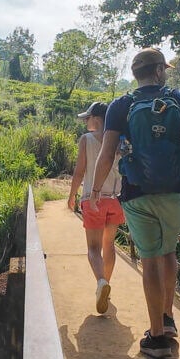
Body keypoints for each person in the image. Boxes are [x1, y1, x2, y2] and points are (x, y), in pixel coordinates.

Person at [89, 47, 180, 359]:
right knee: (168, 252)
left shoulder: (122, 105)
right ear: (159, 71)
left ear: (136, 74)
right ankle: (168, 318)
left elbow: (106, 154)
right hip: (174, 192)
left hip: (136, 193)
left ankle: (157, 338)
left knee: (150, 259)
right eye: (164, 69)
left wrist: (94, 191)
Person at [67, 102, 125, 315]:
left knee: (93, 248)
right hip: (116, 200)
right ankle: (106, 288)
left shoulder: (86, 139)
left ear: (97, 119)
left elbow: (79, 171)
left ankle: (101, 282)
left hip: (93, 199)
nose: (86, 121)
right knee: (108, 244)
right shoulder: (120, 141)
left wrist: (72, 195)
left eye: (87, 118)